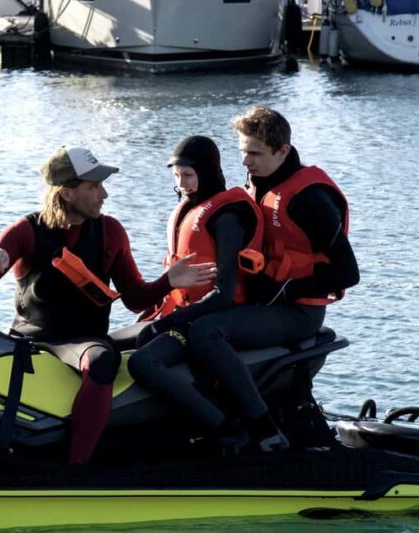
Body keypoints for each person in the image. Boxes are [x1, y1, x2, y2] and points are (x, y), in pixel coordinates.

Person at [0, 146, 217, 465]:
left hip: (84, 339)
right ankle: (76, 468)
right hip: (34, 341)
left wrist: (169, 281)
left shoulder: (110, 231)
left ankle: (184, 434)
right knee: (102, 359)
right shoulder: (26, 231)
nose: (104, 194)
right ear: (67, 192)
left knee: (138, 343)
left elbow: (135, 299)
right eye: (94, 186)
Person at [139, 106, 359, 453]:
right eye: (243, 151)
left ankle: (263, 429)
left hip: (298, 311)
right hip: (259, 304)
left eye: (255, 153)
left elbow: (348, 272)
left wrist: (282, 289)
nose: (245, 161)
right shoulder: (257, 184)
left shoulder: (310, 198)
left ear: (282, 151)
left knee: (207, 331)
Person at [128, 136, 265, 437]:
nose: (182, 184)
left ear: (207, 171)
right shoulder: (191, 208)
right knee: (113, 344)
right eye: (177, 176)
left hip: (210, 319)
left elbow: (224, 295)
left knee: (142, 362)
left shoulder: (227, 217)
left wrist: (167, 323)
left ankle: (225, 430)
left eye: (188, 175)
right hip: (185, 314)